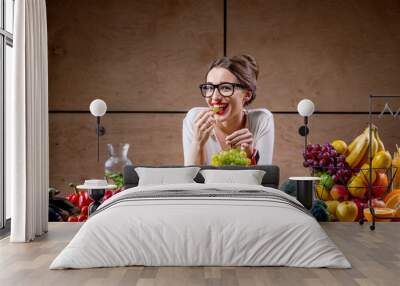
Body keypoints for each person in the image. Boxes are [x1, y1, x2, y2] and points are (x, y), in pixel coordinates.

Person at [182, 54, 274, 166]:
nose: (215, 97)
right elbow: (189, 180)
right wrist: (197, 143)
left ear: (247, 95)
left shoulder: (262, 120)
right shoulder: (195, 119)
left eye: (225, 87)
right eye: (210, 88)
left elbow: (265, 180)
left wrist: (250, 156)